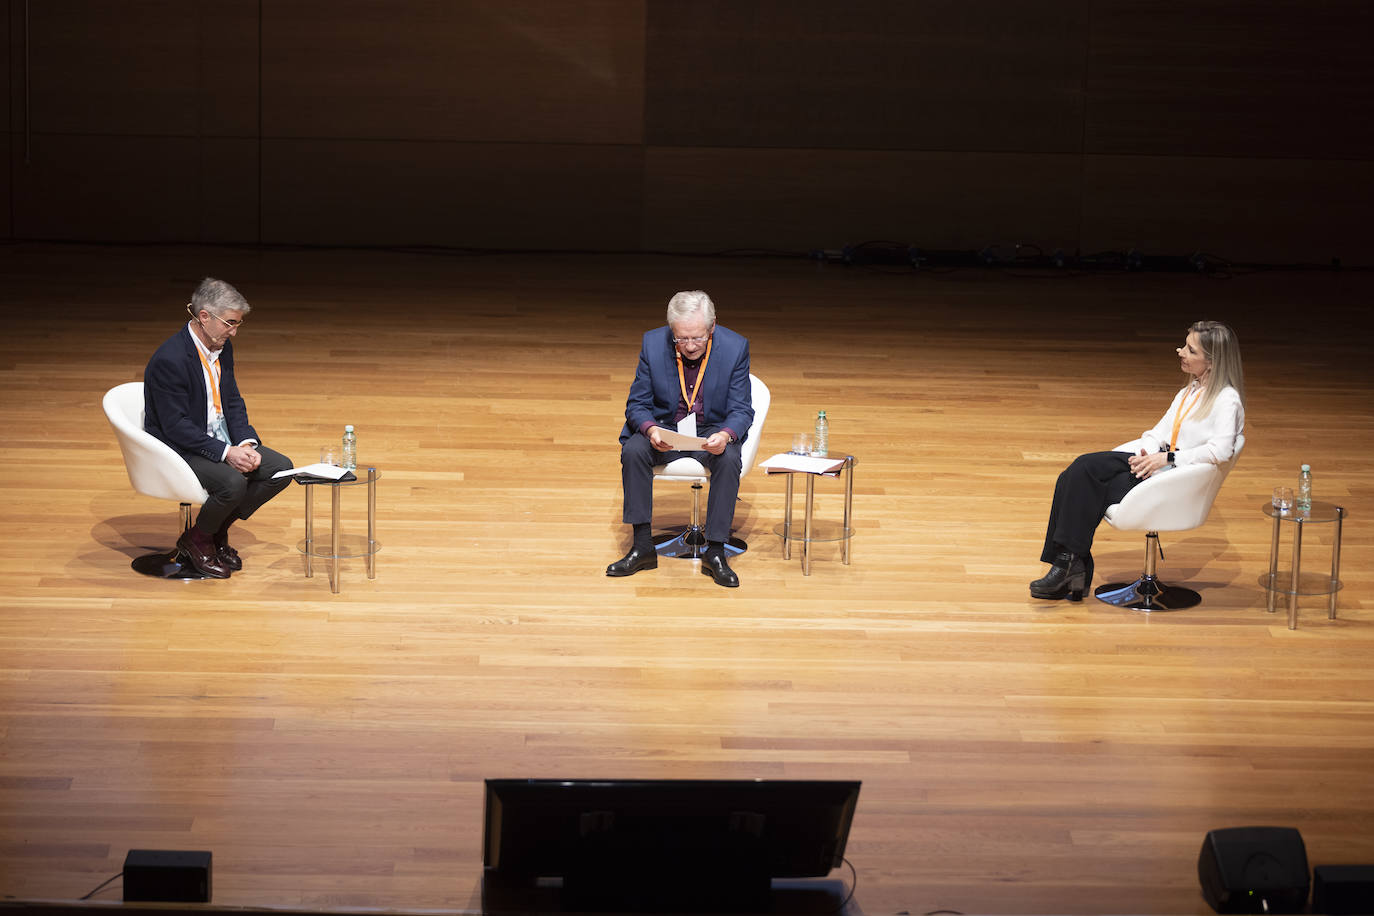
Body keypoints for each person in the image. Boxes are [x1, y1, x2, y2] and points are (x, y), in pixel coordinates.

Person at [1031, 320, 1245, 601]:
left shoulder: (1226, 400)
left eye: (1191, 350)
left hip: (1174, 479)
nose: (1180, 351)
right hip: (1156, 466)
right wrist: (1146, 454)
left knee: (1083, 484)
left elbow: (1221, 451)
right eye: (1185, 344)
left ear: (1213, 362)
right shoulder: (1190, 391)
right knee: (1077, 471)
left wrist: (1166, 458)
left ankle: (1070, 566)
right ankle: (1070, 564)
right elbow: (1157, 432)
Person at [143, 278, 293, 578]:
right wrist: (227, 453)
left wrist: (246, 443)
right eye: (230, 323)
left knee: (280, 469)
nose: (234, 331)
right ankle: (199, 539)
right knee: (232, 483)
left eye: (238, 324)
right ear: (204, 317)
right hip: (180, 447)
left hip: (218, 438)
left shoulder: (223, 347)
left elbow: (233, 400)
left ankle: (211, 531)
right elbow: (176, 427)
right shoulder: (169, 359)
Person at [608, 290, 755, 588]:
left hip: (710, 432)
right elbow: (636, 404)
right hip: (665, 430)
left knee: (728, 458)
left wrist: (725, 434)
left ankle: (715, 551)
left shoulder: (735, 347)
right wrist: (650, 430)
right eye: (681, 338)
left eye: (697, 338)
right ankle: (642, 546)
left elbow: (742, 409)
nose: (689, 346)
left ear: (712, 328)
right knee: (633, 449)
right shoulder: (652, 343)